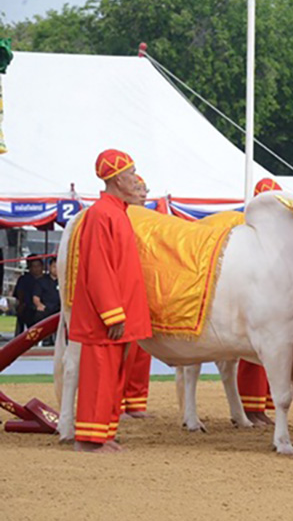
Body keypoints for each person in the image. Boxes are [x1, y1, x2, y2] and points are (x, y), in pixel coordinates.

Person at [69, 149, 152, 453]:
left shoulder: (116, 212)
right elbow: (98, 268)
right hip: (106, 317)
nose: (136, 180)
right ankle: (89, 439)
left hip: (120, 315)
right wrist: (112, 314)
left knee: (113, 377)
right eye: (132, 174)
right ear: (118, 179)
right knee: (100, 377)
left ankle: (103, 434)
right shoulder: (102, 214)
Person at [237, 177, 283, 424]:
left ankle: (260, 407)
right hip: (253, 298)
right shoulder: (248, 232)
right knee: (251, 357)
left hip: (273, 299)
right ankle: (249, 408)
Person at [119, 174, 154, 418]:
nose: (143, 194)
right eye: (138, 188)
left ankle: (136, 403)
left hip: (144, 291)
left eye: (145, 189)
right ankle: (118, 403)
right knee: (122, 352)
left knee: (142, 351)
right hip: (122, 291)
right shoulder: (118, 217)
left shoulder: (153, 220)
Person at [31, 256, 60, 345]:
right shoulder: (42, 281)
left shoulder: (64, 281)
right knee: (39, 315)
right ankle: (44, 339)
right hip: (46, 308)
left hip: (59, 309)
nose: (56, 269)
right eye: (54, 267)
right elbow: (36, 297)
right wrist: (39, 305)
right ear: (49, 267)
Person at [12, 256, 44, 335]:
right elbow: (19, 293)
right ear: (29, 267)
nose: (36, 269)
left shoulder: (46, 280)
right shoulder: (24, 279)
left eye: (38, 266)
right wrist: (21, 304)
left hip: (43, 308)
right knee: (22, 313)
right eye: (34, 266)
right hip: (27, 306)